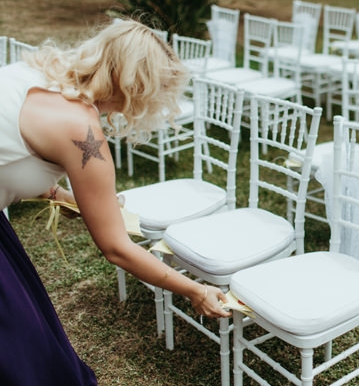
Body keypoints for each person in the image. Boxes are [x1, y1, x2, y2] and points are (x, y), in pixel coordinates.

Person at [0, 19, 230, 385]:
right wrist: (195, 290)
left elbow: (11, 152)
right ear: (137, 87)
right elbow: (117, 249)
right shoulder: (82, 130)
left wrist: (61, 195)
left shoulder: (37, 70)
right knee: (21, 355)